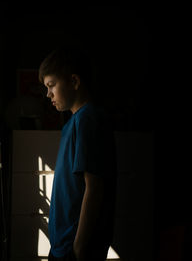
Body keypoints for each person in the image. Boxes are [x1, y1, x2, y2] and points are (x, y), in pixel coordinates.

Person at [39, 47, 117, 261]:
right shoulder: (73, 123)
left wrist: (80, 247)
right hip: (63, 245)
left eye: (51, 85)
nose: (48, 94)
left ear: (74, 82)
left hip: (74, 249)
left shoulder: (88, 119)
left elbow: (94, 187)